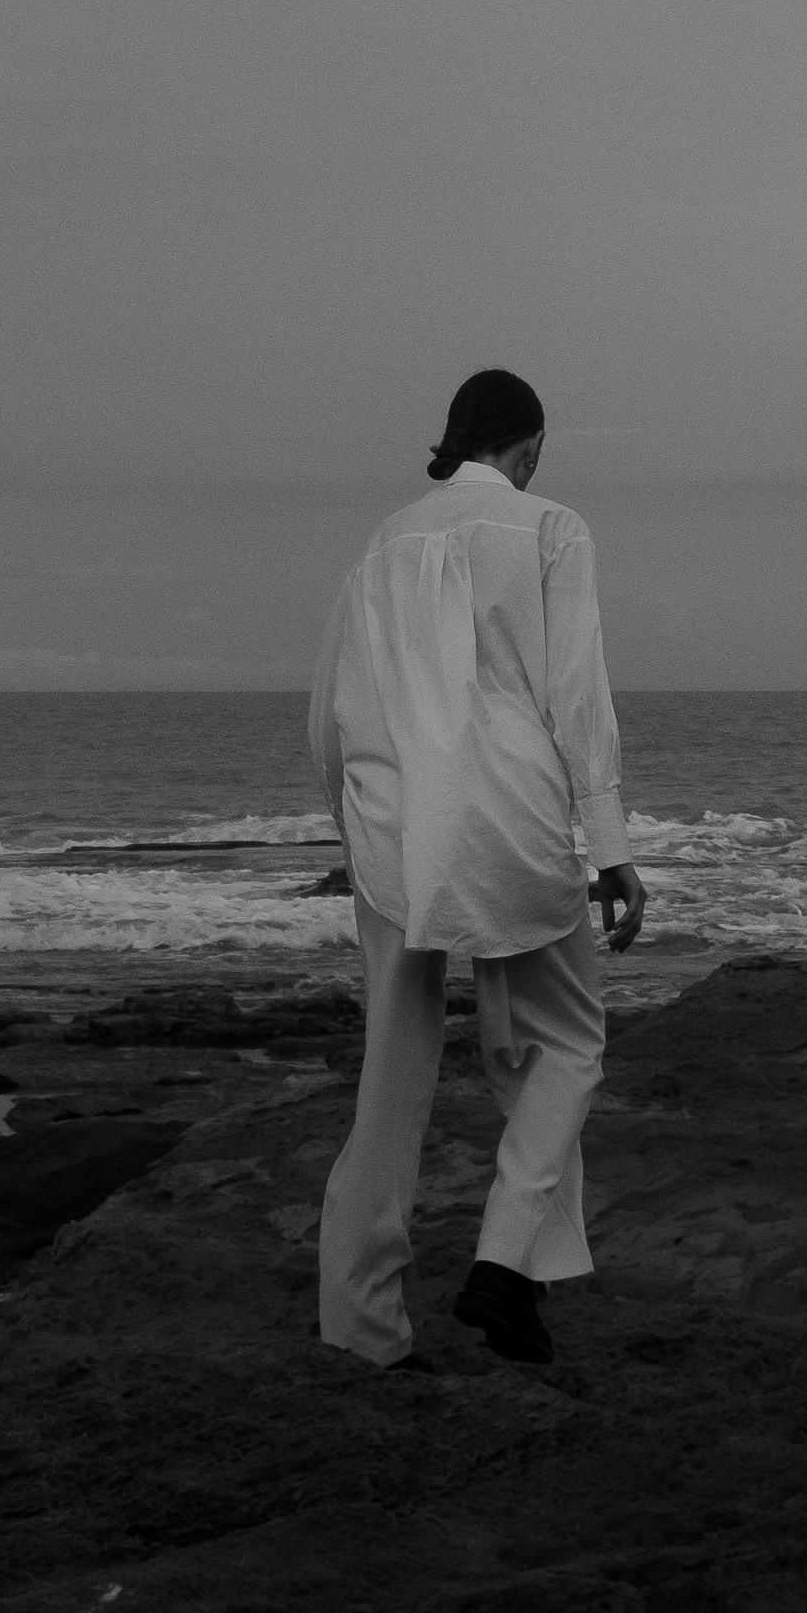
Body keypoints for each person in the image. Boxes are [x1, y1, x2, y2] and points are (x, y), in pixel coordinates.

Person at [309, 366, 645, 1369]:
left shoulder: (381, 544)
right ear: (529, 446)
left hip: (390, 831)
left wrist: (353, 832)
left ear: (456, 440)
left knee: (388, 1078)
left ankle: (360, 1328)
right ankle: (504, 1265)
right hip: (509, 823)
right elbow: (575, 694)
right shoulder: (551, 528)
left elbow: (329, 713)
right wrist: (611, 847)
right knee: (562, 1046)